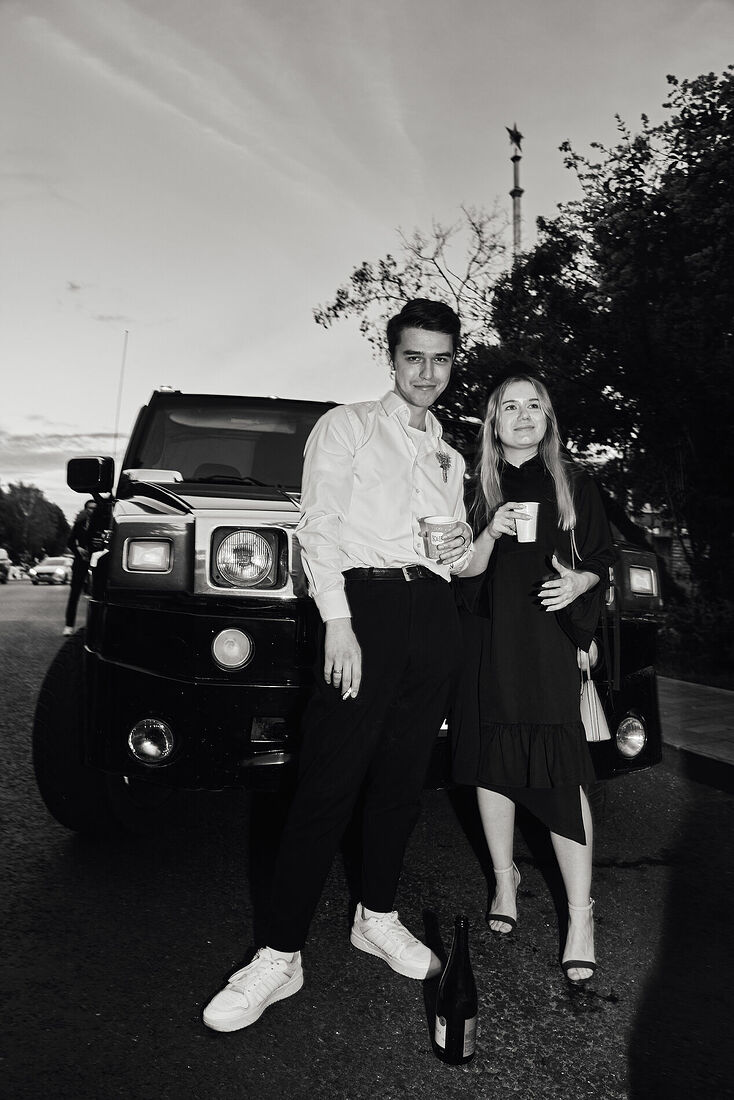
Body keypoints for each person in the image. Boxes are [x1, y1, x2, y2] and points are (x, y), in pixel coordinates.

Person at [203, 299, 472, 1032]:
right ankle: (278, 954)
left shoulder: (448, 452)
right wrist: (339, 623)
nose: (427, 372)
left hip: (433, 614)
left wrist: (456, 549)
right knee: (327, 784)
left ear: (453, 363)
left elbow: (450, 547)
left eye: (441, 359)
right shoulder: (347, 426)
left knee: (401, 784)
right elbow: (317, 526)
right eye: (414, 357)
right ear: (392, 358)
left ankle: (375, 916)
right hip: (365, 609)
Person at [451, 370, 616, 983]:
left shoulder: (574, 483)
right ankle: (504, 880)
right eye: (509, 406)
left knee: (562, 774)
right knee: (491, 765)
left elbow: (601, 559)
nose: (523, 416)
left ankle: (581, 916)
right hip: (489, 642)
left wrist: (579, 586)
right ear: (493, 421)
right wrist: (489, 531)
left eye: (534, 405)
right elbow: (462, 573)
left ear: (547, 418)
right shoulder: (473, 488)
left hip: (547, 640)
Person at [63, 499, 97, 635]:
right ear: (86, 509)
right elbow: (70, 542)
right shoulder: (79, 524)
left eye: (95, 508)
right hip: (80, 562)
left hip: (96, 563)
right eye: (90, 508)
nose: (92, 511)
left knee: (97, 595)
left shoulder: (102, 525)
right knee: (74, 594)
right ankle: (69, 625)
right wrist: (78, 549)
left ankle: (95, 628)